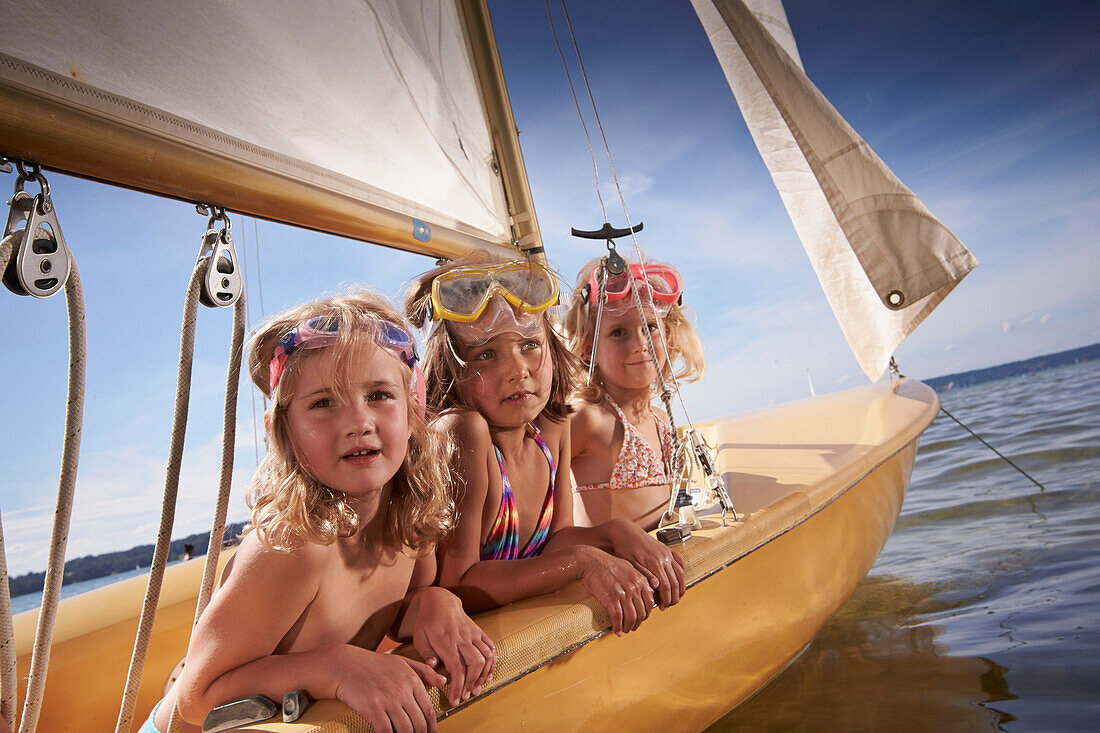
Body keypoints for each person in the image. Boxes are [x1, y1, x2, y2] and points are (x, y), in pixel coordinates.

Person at [148, 289, 494, 733]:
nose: (357, 422)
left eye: (379, 395)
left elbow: (392, 609)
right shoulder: (293, 547)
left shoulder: (408, 521)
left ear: (413, 410)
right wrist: (335, 667)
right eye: (324, 403)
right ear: (283, 432)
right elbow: (196, 701)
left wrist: (432, 601)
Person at [404, 255, 685, 636]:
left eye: (530, 344)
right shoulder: (463, 431)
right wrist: (583, 562)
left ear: (552, 348)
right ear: (452, 370)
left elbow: (557, 541)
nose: (517, 369)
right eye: (486, 354)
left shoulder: (551, 427)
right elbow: (459, 585)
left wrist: (616, 533)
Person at [561, 256, 705, 531]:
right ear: (589, 347)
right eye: (618, 332)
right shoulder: (587, 419)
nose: (640, 344)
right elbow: (529, 494)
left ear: (668, 334)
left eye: (649, 327)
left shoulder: (663, 421)